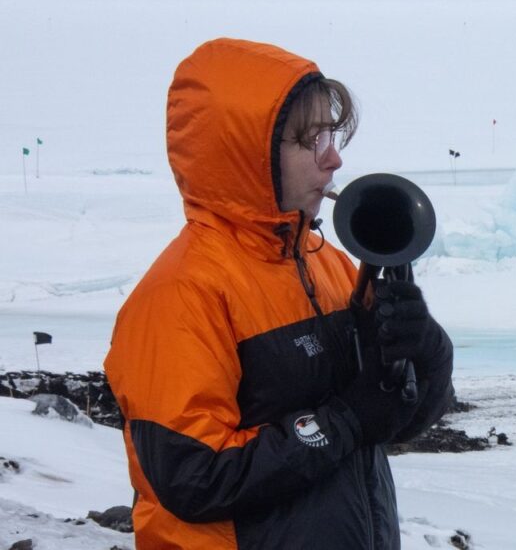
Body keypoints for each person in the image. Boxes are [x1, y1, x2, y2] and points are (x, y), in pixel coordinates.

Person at [104, 38, 454, 549]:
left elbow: (399, 419)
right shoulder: (180, 295)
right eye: (310, 140)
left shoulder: (328, 265)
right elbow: (193, 479)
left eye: (331, 136)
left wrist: (425, 351)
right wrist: (344, 421)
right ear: (247, 153)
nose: (334, 159)